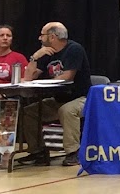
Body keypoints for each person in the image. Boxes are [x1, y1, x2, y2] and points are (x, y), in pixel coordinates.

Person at [18, 22, 92, 167]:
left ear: (52, 36)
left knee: (67, 110)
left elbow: (67, 76)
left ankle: (73, 153)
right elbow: (28, 77)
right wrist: (34, 57)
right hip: (59, 99)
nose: (40, 38)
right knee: (28, 112)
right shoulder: (47, 52)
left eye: (42, 35)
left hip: (82, 98)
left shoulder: (74, 49)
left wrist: (45, 83)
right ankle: (38, 151)